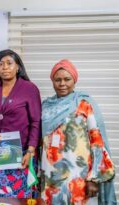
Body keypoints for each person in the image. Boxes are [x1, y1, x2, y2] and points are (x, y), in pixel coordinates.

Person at [41, 59, 116, 205]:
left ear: (74, 80)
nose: (62, 84)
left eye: (67, 79)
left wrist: (93, 178)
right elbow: (40, 143)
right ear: (52, 81)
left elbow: (97, 143)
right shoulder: (45, 107)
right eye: (58, 80)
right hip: (51, 178)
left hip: (80, 178)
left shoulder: (84, 104)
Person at [0, 49, 41, 198]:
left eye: (9, 63)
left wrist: (30, 151)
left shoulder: (30, 89)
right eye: (1, 64)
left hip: (20, 153)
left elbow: (35, 122)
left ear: (18, 67)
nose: (5, 67)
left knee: (18, 196)